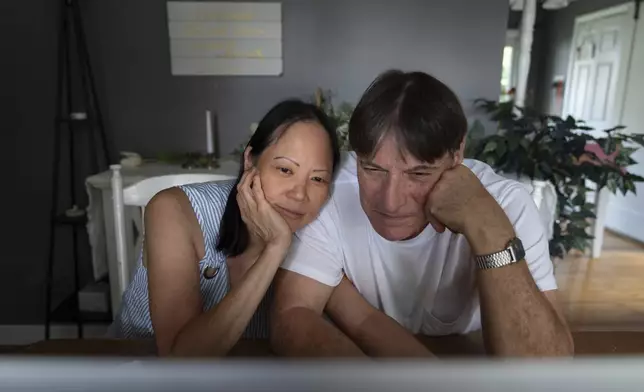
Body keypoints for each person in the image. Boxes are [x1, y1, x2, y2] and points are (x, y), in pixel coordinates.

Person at [270, 70, 574, 357]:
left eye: (418, 174)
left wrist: (489, 230)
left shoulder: (508, 203)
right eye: (373, 169)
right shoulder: (330, 188)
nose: (391, 202)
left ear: (457, 155)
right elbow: (293, 318)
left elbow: (545, 368)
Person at [112, 99, 354, 357]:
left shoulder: (319, 234)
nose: (299, 193)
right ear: (250, 160)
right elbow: (179, 359)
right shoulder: (174, 210)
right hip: (137, 369)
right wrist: (275, 247)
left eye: (317, 179)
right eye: (285, 169)